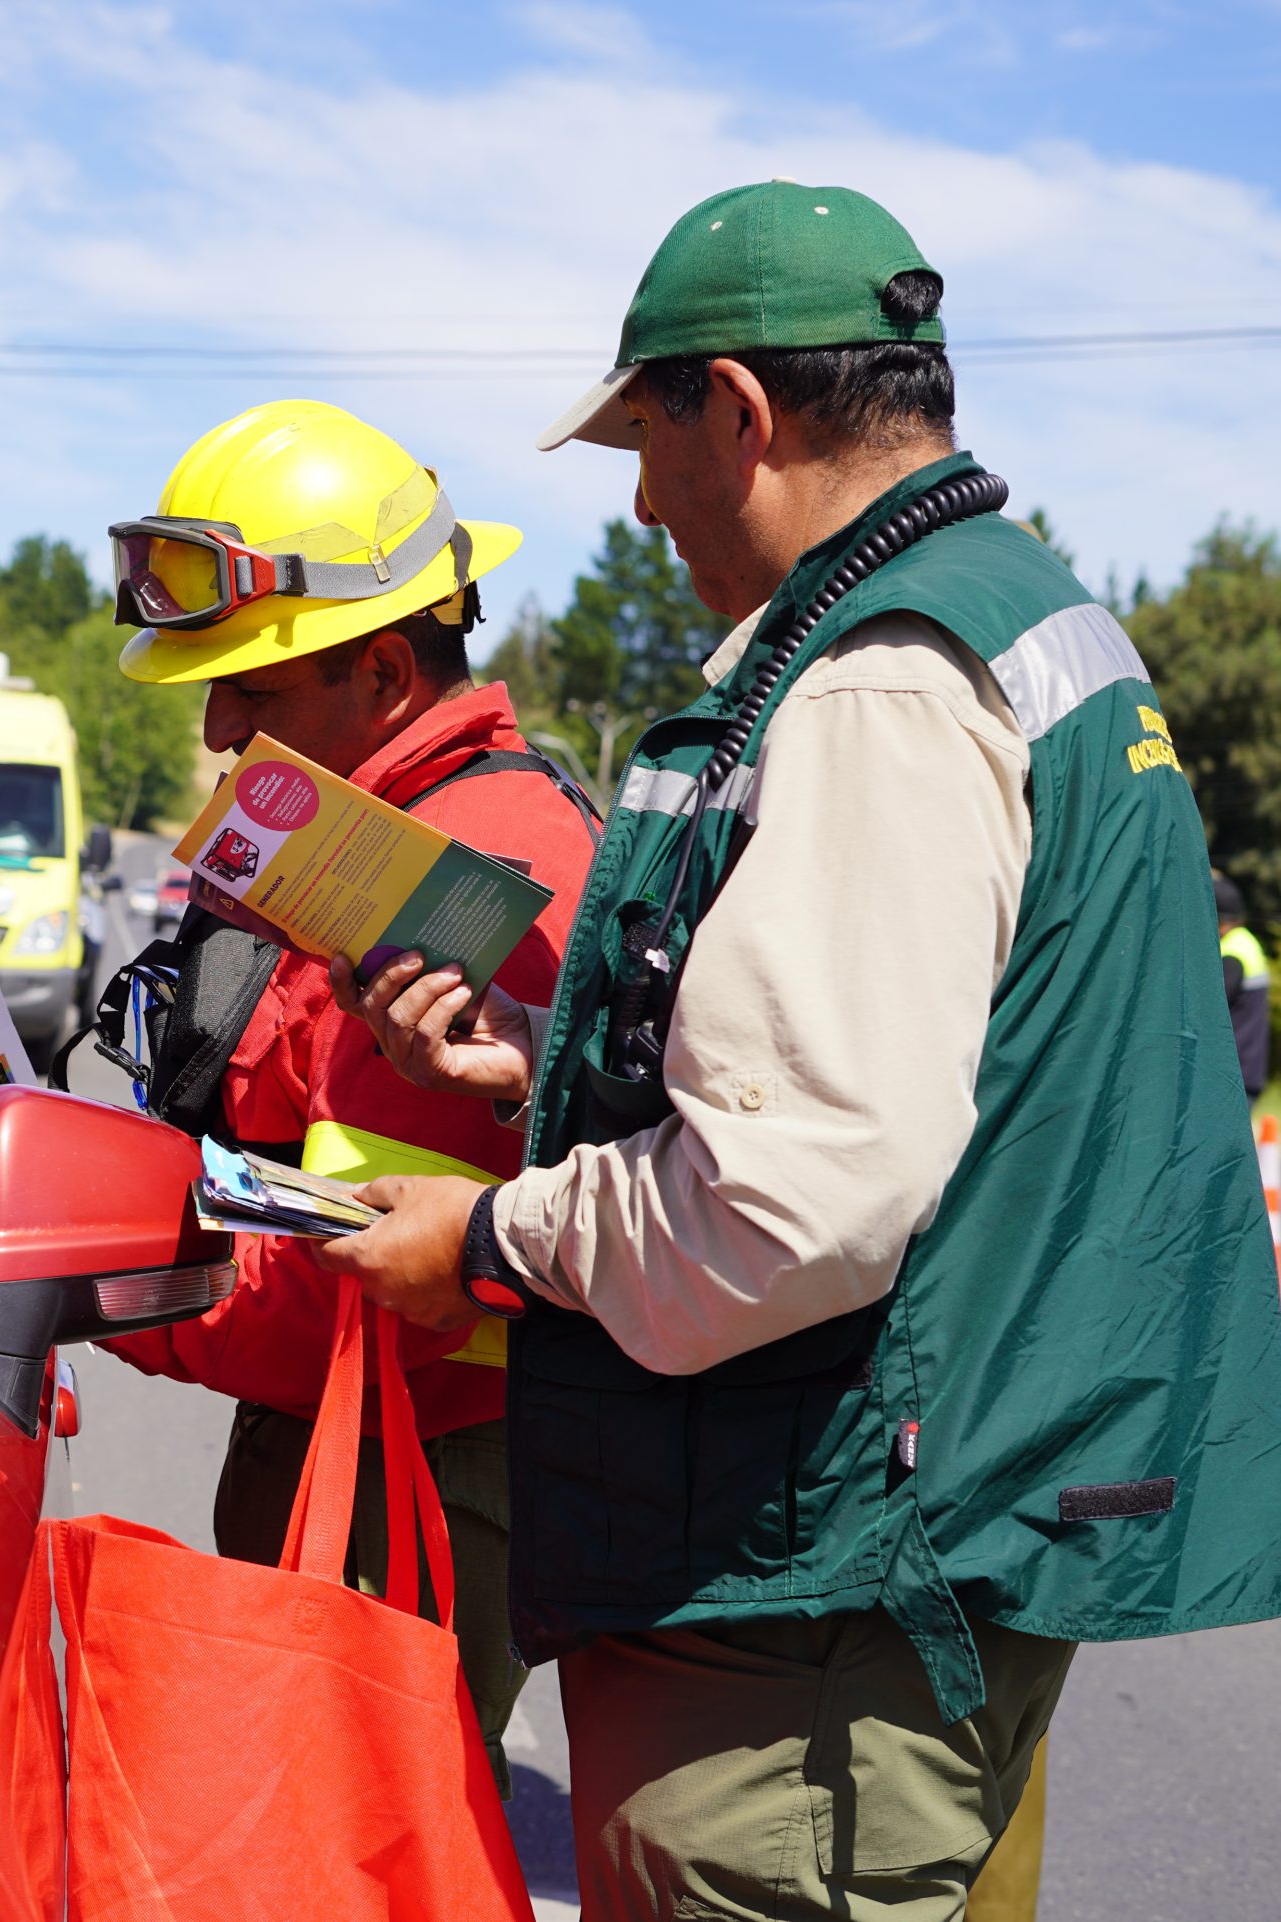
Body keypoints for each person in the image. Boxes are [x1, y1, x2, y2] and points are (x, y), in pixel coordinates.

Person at [313, 182, 1281, 1920]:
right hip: (956, 1529)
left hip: (815, 1603)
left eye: (644, 431)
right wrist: (547, 1065)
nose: (636, 495)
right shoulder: (1026, 616)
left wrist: (479, 1236)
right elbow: (946, 1075)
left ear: (740, 412)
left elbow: (788, 1200)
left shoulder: (874, 677)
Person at [88, 399, 599, 1794]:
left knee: (339, 1833)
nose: (211, 729)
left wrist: (89, 1278)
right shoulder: (356, 826)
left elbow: (361, 1270)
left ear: (381, 669)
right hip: (343, 1440)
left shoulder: (479, 880)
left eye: (248, 691)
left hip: (406, 1474)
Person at [1216, 873, 1269, 1098]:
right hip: (1249, 1065)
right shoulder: (1247, 942)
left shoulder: (1231, 954)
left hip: (1233, 1072)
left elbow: (1213, 1008)